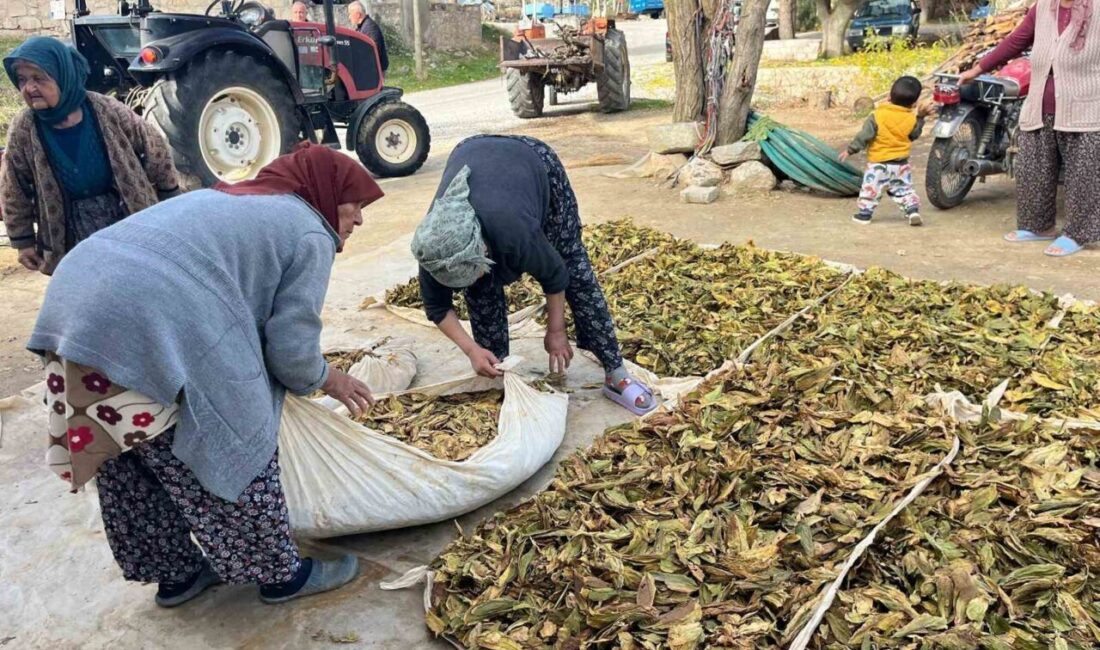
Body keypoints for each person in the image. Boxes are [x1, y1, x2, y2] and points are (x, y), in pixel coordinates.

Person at [28, 143, 384, 607]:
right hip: (140, 321)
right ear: (325, 192)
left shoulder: (234, 197)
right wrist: (328, 378)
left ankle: (176, 576)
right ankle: (281, 575)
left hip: (72, 315)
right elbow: (291, 352)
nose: (358, 220)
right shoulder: (307, 230)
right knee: (220, 441)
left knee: (129, 458)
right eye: (354, 204)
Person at [410, 135, 657, 415]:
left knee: (574, 266)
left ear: (483, 247)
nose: (477, 279)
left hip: (534, 161)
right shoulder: (434, 246)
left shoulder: (514, 231)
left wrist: (556, 330)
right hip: (472, 153)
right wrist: (471, 350)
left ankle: (616, 373)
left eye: (475, 270)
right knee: (481, 291)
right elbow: (437, 306)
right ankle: (500, 372)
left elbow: (555, 275)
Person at [1, 37, 179, 276]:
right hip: (67, 231)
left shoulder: (106, 109)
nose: (29, 88)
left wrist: (170, 200)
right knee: (84, 294)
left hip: (123, 217)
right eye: (22, 80)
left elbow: (155, 148)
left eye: (39, 78)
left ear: (62, 76)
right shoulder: (25, 128)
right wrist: (23, 241)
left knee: (137, 282)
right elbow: (13, 187)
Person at [958, 0, 1100, 257]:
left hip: (1086, 105)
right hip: (1040, 103)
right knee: (1033, 168)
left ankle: (1078, 234)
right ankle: (1038, 226)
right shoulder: (1043, 8)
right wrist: (978, 69)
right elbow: (1015, 42)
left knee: (1083, 174)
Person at [840, 75, 929, 227]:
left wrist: (850, 150)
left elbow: (865, 136)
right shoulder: (911, 119)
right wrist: (920, 118)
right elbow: (914, 135)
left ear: (889, 95)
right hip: (901, 164)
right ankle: (912, 210)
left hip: (878, 164)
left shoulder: (877, 116)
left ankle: (864, 215)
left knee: (871, 189)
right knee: (904, 189)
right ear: (914, 103)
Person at [348, 1, 389, 73]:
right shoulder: (363, 26)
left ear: (358, 15)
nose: (349, 17)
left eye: (350, 14)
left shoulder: (370, 28)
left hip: (375, 71)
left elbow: (373, 51)